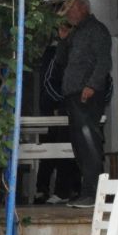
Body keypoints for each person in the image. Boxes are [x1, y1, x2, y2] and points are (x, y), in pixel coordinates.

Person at [58, 0, 112, 208]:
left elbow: (103, 61)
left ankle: (94, 192)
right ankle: (87, 191)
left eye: (71, 9)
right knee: (79, 145)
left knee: (88, 143)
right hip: (73, 94)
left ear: (82, 7)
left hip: (87, 94)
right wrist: (63, 41)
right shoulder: (76, 33)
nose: (68, 13)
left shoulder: (96, 30)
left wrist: (92, 85)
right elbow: (61, 61)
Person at [35, 21, 78, 204]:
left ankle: (69, 189)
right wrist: (61, 103)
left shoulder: (78, 51)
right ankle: (45, 189)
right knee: (52, 147)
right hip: (54, 108)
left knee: (71, 148)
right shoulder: (54, 54)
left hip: (71, 108)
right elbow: (48, 83)